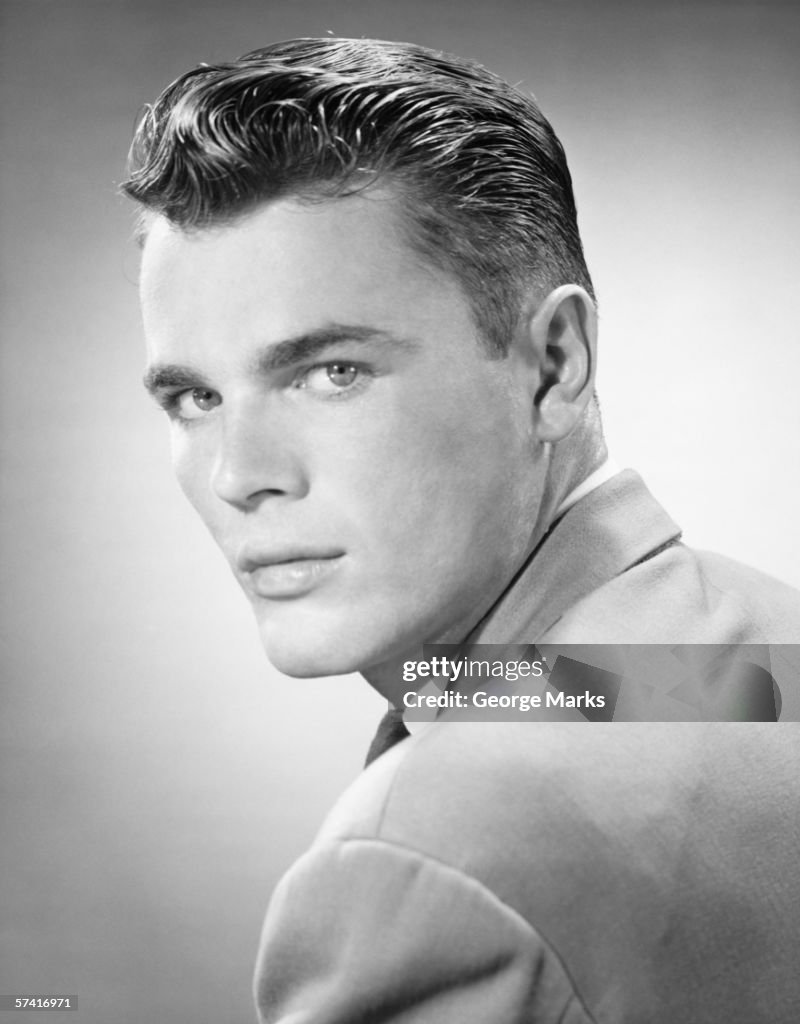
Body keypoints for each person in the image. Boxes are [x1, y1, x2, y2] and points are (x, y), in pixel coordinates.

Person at [123, 37, 800, 1023]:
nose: (241, 477)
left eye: (331, 372)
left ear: (552, 363)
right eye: (192, 398)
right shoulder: (760, 654)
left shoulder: (416, 869)